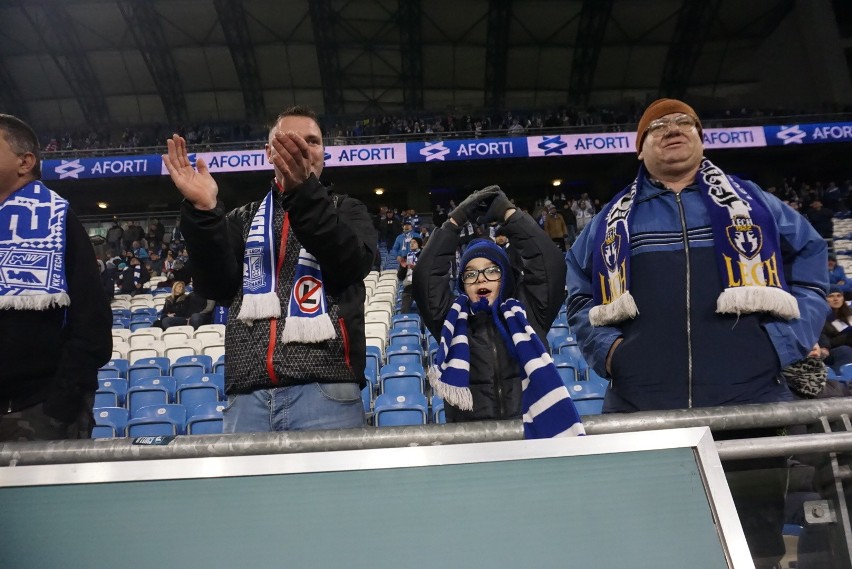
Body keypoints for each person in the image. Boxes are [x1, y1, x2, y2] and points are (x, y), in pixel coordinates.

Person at [566, 98, 828, 568]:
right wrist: (611, 355)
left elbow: (811, 263)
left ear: (701, 138)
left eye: (684, 123)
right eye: (657, 127)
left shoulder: (757, 204)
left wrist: (780, 343)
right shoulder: (608, 223)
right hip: (643, 408)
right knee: (653, 543)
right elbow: (580, 298)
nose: (673, 130)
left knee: (754, 542)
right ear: (639, 149)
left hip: (749, 404)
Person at [163, 105, 377, 433]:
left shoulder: (347, 210)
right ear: (268, 153)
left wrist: (303, 194)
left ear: (324, 153)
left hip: (328, 393)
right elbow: (215, 287)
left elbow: (350, 263)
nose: (302, 149)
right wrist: (205, 213)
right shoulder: (240, 220)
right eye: (288, 141)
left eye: (312, 141)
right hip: (247, 398)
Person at [413, 186, 584, 438]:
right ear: (463, 285)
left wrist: (510, 215)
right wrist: (453, 223)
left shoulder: (529, 312)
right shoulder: (451, 319)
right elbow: (425, 279)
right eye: (470, 274)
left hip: (534, 439)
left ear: (505, 278)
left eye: (491, 270)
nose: (480, 278)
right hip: (473, 447)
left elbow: (549, 264)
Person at [0, 114, 112, 441]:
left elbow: (91, 324)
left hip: (40, 408)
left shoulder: (59, 220)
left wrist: (60, 402)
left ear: (25, 162)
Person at [398, 236, 421, 313]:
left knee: (423, 313)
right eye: (411, 242)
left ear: (419, 244)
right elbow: (400, 277)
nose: (412, 244)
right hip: (409, 286)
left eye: (414, 242)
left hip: (421, 286)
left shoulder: (424, 256)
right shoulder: (405, 257)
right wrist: (402, 267)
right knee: (404, 310)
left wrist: (416, 268)